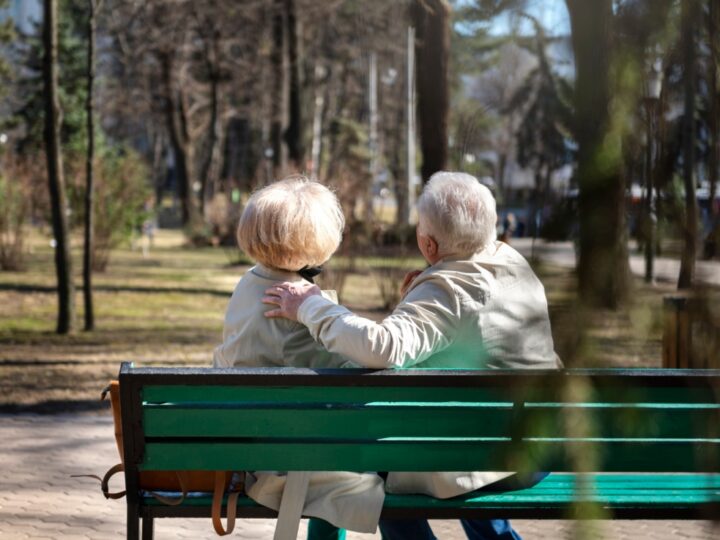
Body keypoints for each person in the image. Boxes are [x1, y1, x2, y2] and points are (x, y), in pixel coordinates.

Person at [262, 171, 561, 540]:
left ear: (429, 243)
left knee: (375, 469)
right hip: (542, 445)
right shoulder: (513, 263)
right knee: (459, 446)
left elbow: (382, 348)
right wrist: (421, 295)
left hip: (494, 457)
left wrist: (310, 306)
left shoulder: (447, 292)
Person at [213, 175, 384, 538]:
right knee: (363, 477)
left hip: (247, 436)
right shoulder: (295, 304)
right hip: (282, 456)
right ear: (319, 240)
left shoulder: (249, 283)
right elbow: (351, 372)